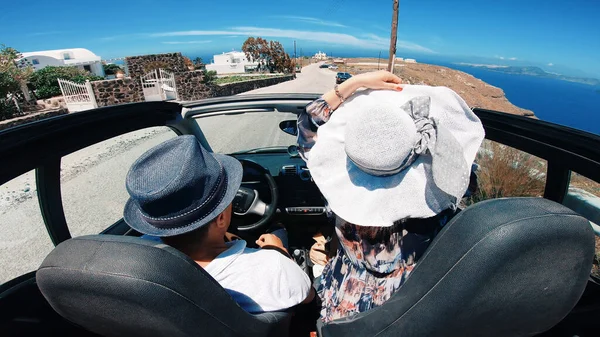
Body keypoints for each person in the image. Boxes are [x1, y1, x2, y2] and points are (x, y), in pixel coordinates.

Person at [299, 71, 485, 322]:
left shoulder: (339, 197)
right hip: (410, 303)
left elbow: (307, 127)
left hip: (347, 298)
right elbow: (465, 178)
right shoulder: (440, 205)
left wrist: (355, 84)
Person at [122, 135, 314, 313]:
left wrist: (224, 237)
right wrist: (277, 249)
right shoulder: (274, 268)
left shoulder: (134, 264)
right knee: (278, 231)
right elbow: (308, 296)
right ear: (221, 219)